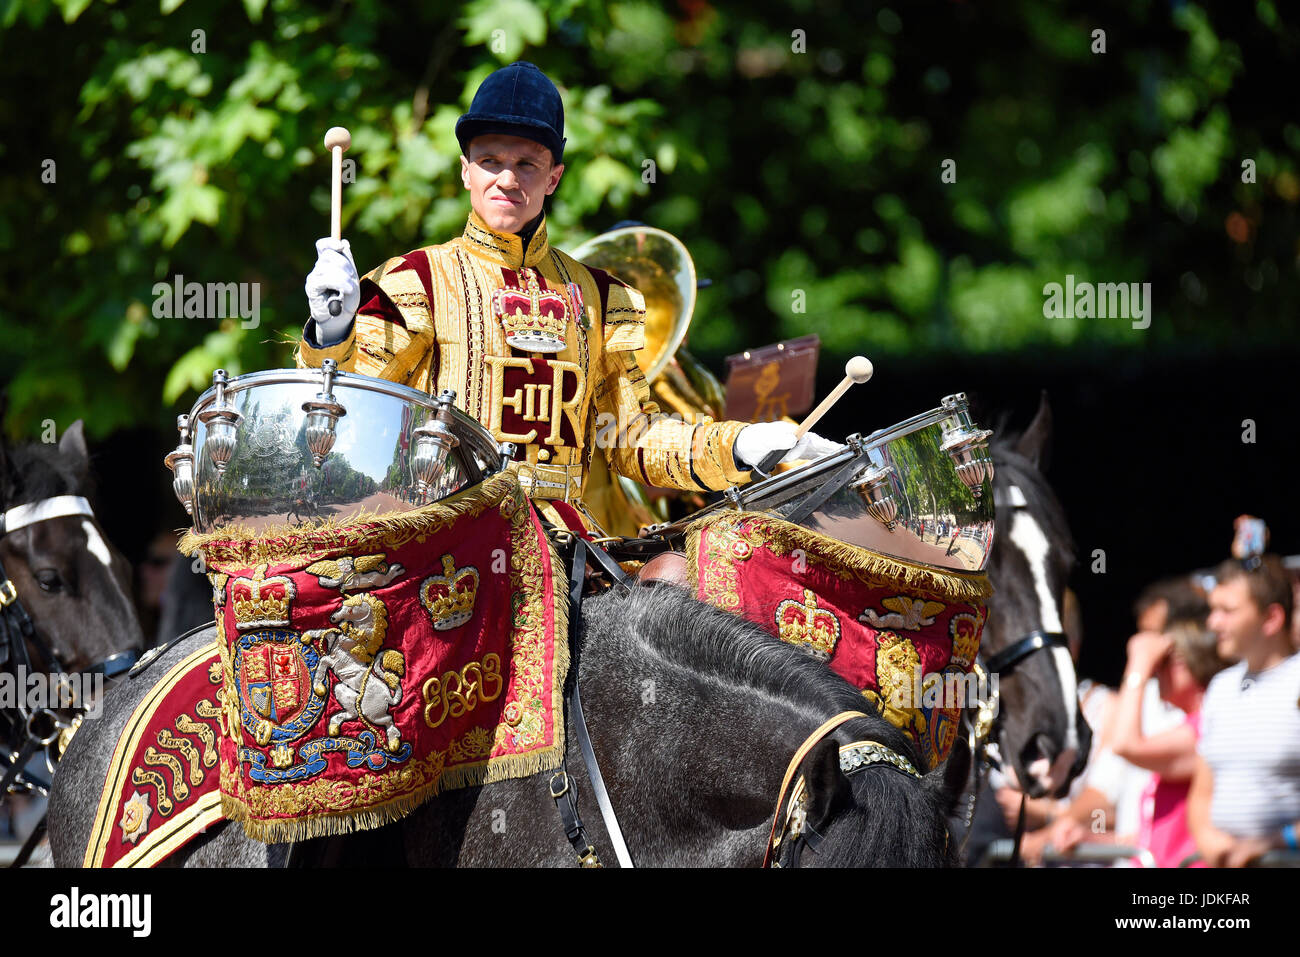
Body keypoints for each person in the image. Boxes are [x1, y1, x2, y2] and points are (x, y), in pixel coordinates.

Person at [296, 61, 836, 533]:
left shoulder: (603, 297)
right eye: (490, 161)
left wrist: (741, 446)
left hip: (566, 544)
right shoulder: (413, 280)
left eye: (527, 164)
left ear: (553, 177)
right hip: (445, 537)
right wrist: (331, 332)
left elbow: (631, 436)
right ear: (465, 171)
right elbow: (347, 408)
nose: (507, 178)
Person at [1188, 555, 1300, 867]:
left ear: (1271, 619)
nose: (1213, 623)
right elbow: (1201, 793)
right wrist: (1210, 840)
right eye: (1213, 610)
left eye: (1227, 611)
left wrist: (1278, 842)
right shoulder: (1221, 687)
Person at [1110, 623, 1227, 867]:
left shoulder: (1207, 730)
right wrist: (1091, 837)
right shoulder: (1194, 726)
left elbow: (1124, 745)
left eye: (1162, 663)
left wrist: (1138, 665)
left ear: (1188, 663)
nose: (1155, 672)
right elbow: (1160, 835)